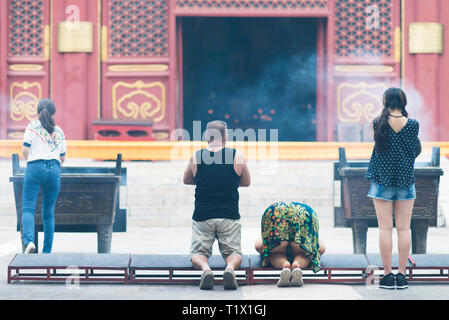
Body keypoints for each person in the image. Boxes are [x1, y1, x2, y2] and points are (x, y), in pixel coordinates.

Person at [183, 120, 251, 290]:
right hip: (229, 214)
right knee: (234, 252)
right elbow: (246, 182)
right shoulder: (236, 155)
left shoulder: (197, 156)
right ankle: (229, 268)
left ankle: (206, 269)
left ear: (207, 136)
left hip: (203, 214)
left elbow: (187, 179)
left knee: (198, 253)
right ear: (226, 136)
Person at [366, 87, 421, 290]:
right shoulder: (414, 125)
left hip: (382, 181)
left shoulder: (377, 123)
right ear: (404, 102)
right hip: (406, 181)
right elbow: (414, 149)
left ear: (385, 102)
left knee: (385, 228)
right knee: (404, 228)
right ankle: (402, 275)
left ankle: (388, 275)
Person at [21, 99, 66, 254]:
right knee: (48, 213)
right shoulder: (59, 131)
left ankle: (29, 242)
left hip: (35, 167)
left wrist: (31, 162)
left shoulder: (32, 126)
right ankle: (46, 252)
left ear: (38, 110)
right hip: (54, 170)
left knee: (28, 209)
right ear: (53, 112)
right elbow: (63, 158)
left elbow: (25, 150)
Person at [254, 201, 325, 287]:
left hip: (277, 211)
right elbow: (321, 247)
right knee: (307, 253)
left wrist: (265, 239)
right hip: (301, 212)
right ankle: (297, 265)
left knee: (274, 253)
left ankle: (285, 265)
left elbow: (258, 245)